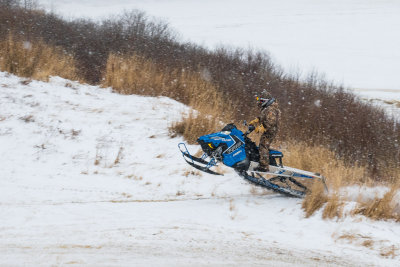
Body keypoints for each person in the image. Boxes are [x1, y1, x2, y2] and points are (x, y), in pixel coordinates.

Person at [249, 92, 281, 172]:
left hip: (270, 130)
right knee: (263, 144)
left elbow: (270, 121)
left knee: (263, 146)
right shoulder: (268, 108)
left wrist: (262, 127)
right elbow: (264, 117)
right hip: (269, 129)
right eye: (258, 100)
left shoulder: (271, 109)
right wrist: (257, 120)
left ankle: (264, 166)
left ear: (265, 101)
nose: (259, 102)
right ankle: (268, 159)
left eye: (260, 101)